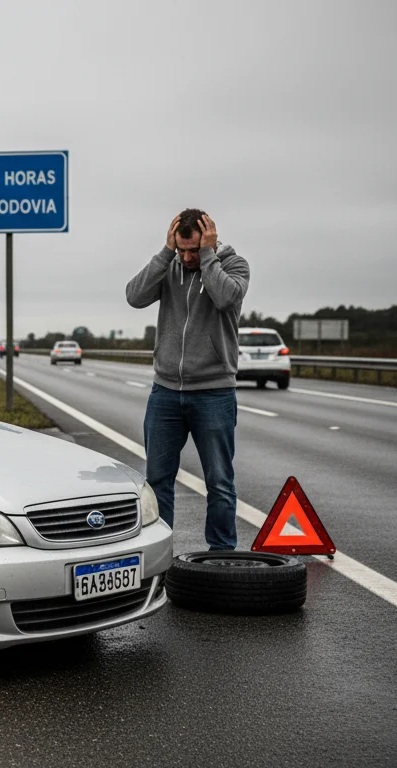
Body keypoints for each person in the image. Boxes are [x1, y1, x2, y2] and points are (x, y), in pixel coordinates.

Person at [125, 209, 249, 550]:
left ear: (209, 240)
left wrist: (208, 258)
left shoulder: (235, 266)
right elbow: (134, 296)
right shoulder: (170, 266)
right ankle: (160, 552)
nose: (187, 257)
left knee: (219, 481)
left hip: (214, 393)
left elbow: (225, 297)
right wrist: (166, 254)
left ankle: (221, 555)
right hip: (165, 392)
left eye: (193, 249)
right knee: (157, 480)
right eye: (182, 250)